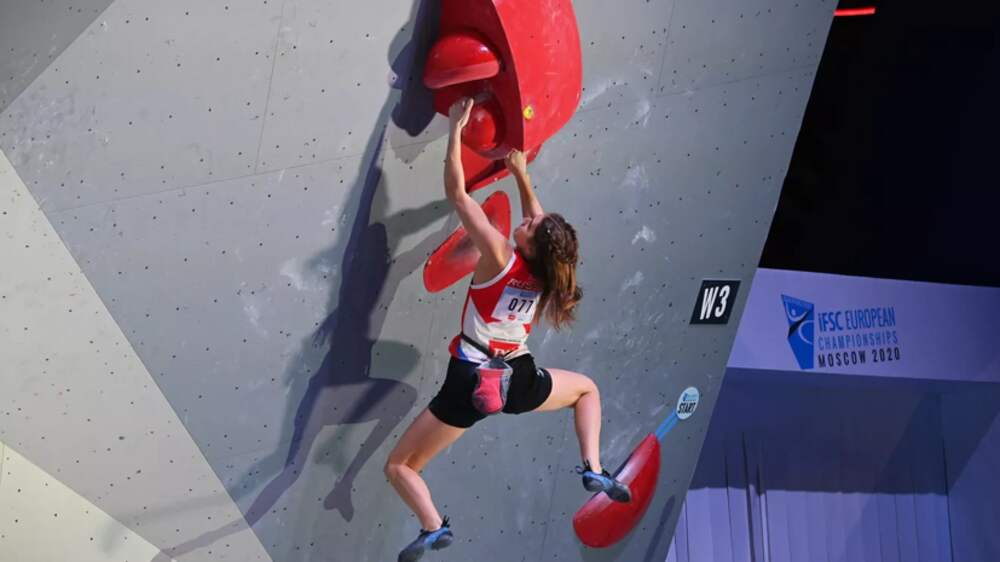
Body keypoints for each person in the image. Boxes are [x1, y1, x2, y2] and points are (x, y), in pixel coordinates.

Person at [385, 98, 631, 562]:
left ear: (531, 243)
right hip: (517, 379)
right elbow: (542, 227)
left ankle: (433, 525)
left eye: (531, 224)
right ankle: (594, 467)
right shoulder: (547, 275)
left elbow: (458, 194)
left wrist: (455, 130)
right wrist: (521, 174)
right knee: (587, 391)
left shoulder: (499, 254)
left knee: (400, 466)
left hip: (470, 378)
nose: (528, 217)